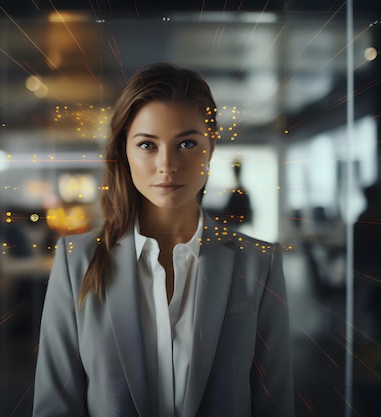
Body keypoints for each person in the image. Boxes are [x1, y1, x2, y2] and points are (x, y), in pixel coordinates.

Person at [33, 63, 293, 417]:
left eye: (186, 143)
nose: (167, 164)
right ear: (124, 149)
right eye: (147, 145)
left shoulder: (260, 262)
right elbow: (55, 407)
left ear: (211, 147)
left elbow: (274, 407)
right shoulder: (76, 261)